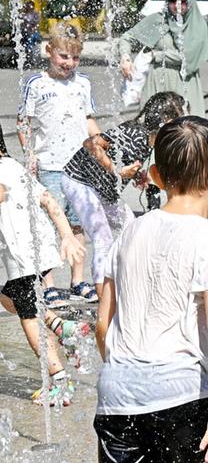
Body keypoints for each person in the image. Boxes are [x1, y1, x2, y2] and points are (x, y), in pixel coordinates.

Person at [92, 118, 208, 463]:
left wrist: (124, 375)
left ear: (155, 176)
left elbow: (103, 323)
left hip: (118, 392)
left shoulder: (127, 234)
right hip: (182, 393)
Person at [61, 92, 184, 300]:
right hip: (79, 181)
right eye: (179, 120)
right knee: (103, 239)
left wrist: (136, 174)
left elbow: (122, 160)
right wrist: (116, 170)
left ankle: (130, 284)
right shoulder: (135, 134)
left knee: (132, 229)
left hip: (103, 188)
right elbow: (91, 143)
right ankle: (104, 301)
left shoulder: (147, 141)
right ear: (166, 122)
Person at [0, 138, 91, 406]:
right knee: (8, 299)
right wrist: (66, 236)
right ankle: (62, 327)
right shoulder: (14, 166)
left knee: (28, 316)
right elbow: (48, 200)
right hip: (38, 253)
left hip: (22, 260)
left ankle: (60, 379)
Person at [17, 21, 98, 308]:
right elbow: (23, 123)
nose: (70, 63)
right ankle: (48, 284)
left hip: (80, 166)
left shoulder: (83, 83)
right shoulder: (36, 84)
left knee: (77, 225)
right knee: (50, 225)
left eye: (75, 57)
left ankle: (78, 280)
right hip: (49, 164)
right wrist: (30, 155)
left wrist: (99, 146)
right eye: (64, 56)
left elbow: (89, 119)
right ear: (49, 51)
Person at [118, 0, 208, 116]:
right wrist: (125, 57)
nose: (177, 5)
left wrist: (156, 55)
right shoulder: (158, 20)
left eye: (182, 1)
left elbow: (187, 57)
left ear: (190, 1)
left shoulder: (197, 26)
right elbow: (127, 38)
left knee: (187, 131)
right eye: (172, 0)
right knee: (152, 130)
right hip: (156, 84)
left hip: (184, 85)